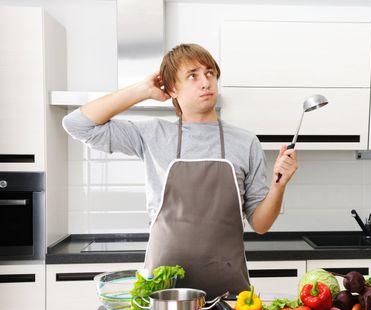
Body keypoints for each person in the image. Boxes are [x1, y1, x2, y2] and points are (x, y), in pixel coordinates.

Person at [63, 43, 298, 297]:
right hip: (164, 293)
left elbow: (261, 225)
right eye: (192, 76)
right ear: (172, 88)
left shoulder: (246, 142)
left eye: (209, 73)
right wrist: (142, 89)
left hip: (228, 293)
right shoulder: (152, 135)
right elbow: (77, 125)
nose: (205, 82)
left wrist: (278, 187)